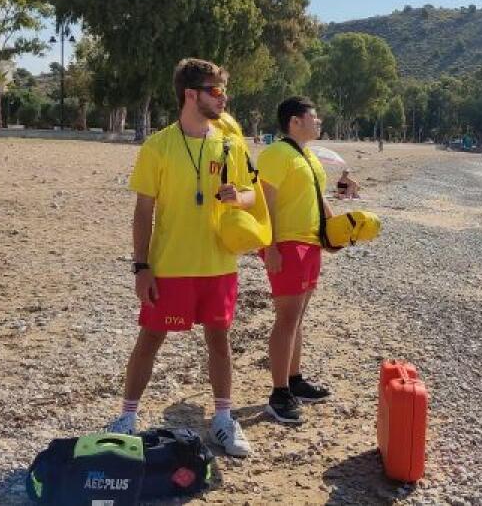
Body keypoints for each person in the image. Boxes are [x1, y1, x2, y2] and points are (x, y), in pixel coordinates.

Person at [106, 58, 256, 457]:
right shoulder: (158, 146)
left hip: (219, 263)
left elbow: (252, 193)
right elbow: (143, 212)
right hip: (170, 265)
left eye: (223, 90)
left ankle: (223, 420)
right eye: (216, 90)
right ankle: (126, 417)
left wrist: (237, 197)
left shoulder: (230, 144)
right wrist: (141, 267)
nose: (223, 98)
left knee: (220, 341)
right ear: (191, 94)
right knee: (150, 339)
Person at [255, 96, 334, 423]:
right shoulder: (276, 153)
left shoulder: (308, 156)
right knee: (286, 319)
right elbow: (264, 201)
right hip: (286, 244)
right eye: (314, 118)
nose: (319, 123)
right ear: (295, 121)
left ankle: (295, 380)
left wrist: (336, 230)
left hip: (311, 244)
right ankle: (279, 394)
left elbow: (319, 197)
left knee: (298, 318)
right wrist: (270, 246)